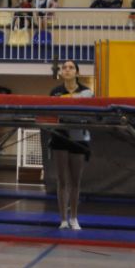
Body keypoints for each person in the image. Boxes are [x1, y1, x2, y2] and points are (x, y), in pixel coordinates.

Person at [49, 59, 93, 230]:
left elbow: (89, 115)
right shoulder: (55, 92)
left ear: (77, 72)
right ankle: (63, 219)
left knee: (75, 181)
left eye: (71, 67)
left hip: (79, 137)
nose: (67, 70)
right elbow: (51, 115)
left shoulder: (86, 92)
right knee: (61, 180)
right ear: (61, 73)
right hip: (59, 136)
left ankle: (74, 217)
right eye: (64, 68)